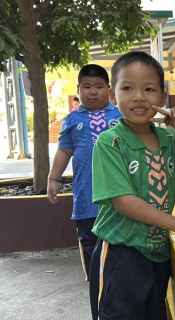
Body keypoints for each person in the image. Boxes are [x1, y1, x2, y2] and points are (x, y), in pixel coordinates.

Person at [89, 51, 175, 320]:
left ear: (162, 98)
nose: (139, 96)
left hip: (157, 255)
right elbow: (124, 202)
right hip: (121, 254)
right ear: (113, 96)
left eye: (149, 89)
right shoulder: (111, 142)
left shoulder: (172, 141)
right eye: (128, 88)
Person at [47, 64, 122, 282]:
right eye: (87, 86)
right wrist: (53, 179)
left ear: (109, 90)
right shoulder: (72, 120)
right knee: (89, 242)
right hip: (86, 199)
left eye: (98, 86)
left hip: (120, 197)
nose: (92, 92)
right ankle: (95, 283)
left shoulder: (120, 115)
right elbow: (64, 151)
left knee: (119, 242)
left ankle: (116, 282)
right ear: (78, 89)